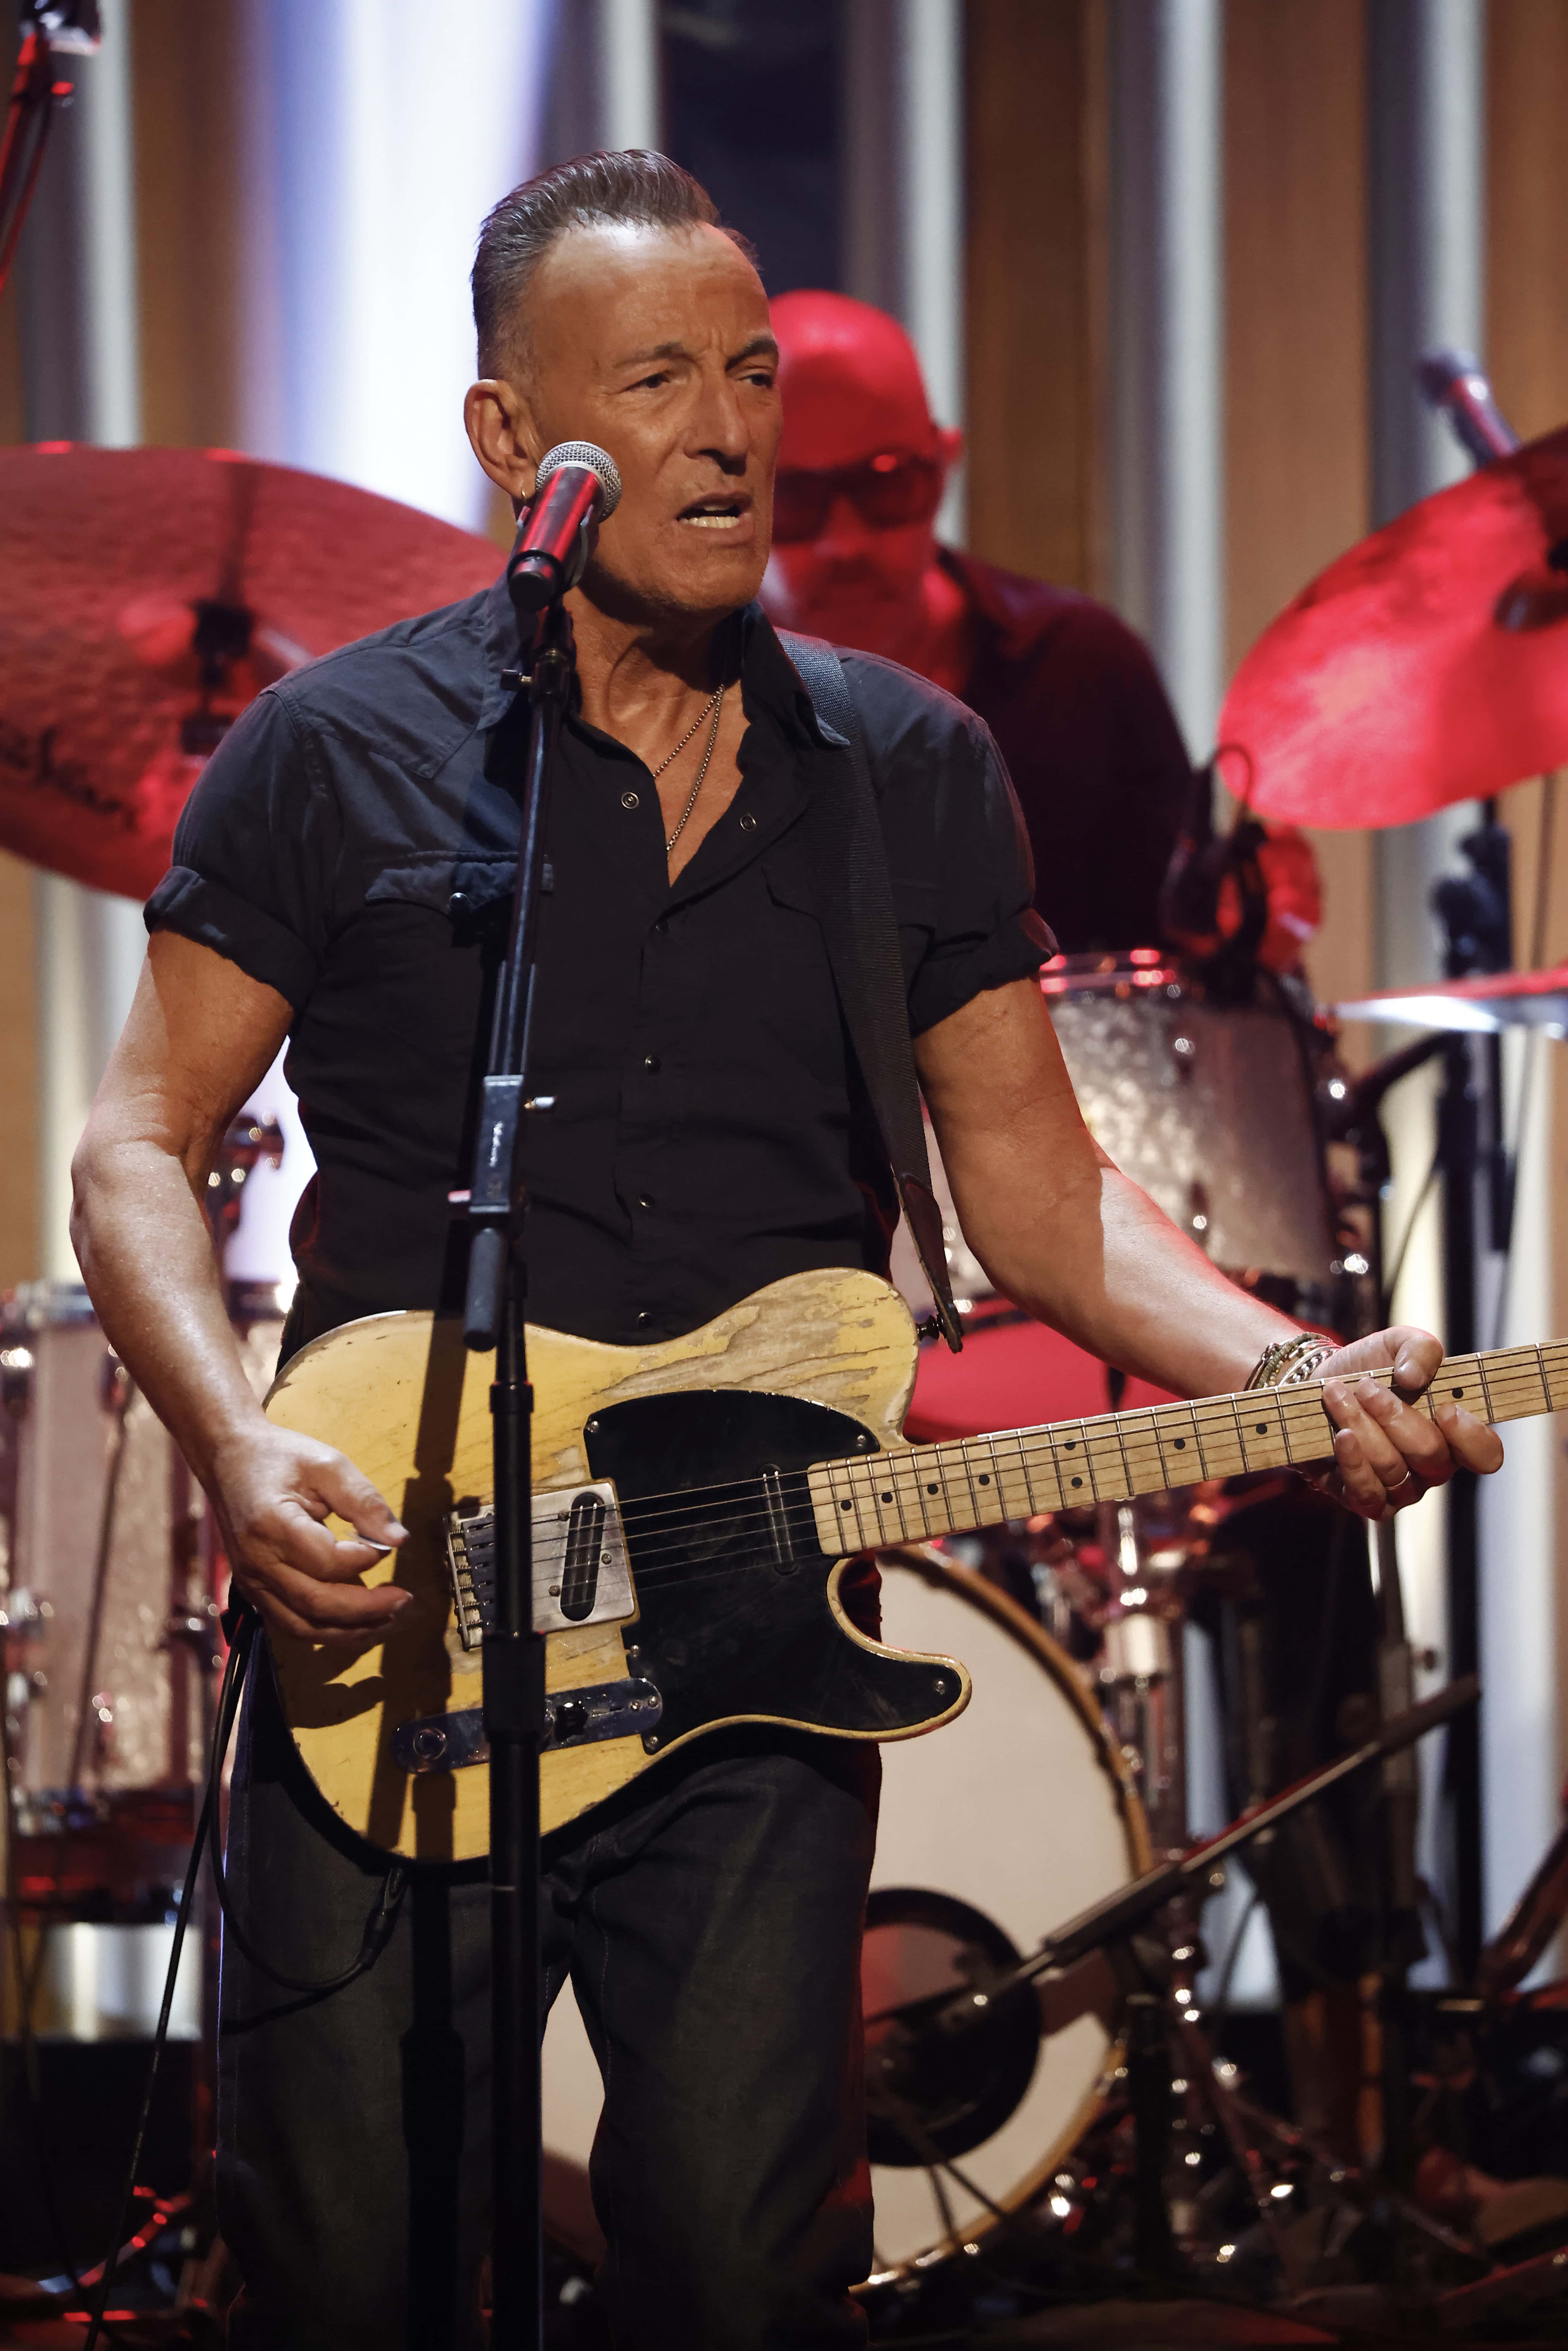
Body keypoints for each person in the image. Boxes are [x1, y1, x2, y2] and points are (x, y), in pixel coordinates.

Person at [69, 152, 1500, 2350]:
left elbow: (1036, 1202)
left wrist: (1287, 1372)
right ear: (506, 438)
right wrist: (231, 1451)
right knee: (353, 2277)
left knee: (744, 2273)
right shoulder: (335, 758)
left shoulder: (908, 769)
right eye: (658, 381)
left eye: (747, 373)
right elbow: (137, 1148)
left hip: (746, 1650)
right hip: (406, 1626)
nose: (731, 430)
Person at [761, 288, 1319, 969]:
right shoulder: (673, 700)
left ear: (944, 469)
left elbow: (1179, 962)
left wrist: (1245, 925)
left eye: (885, 485)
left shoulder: (1081, 667)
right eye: (794, 497)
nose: (844, 542)